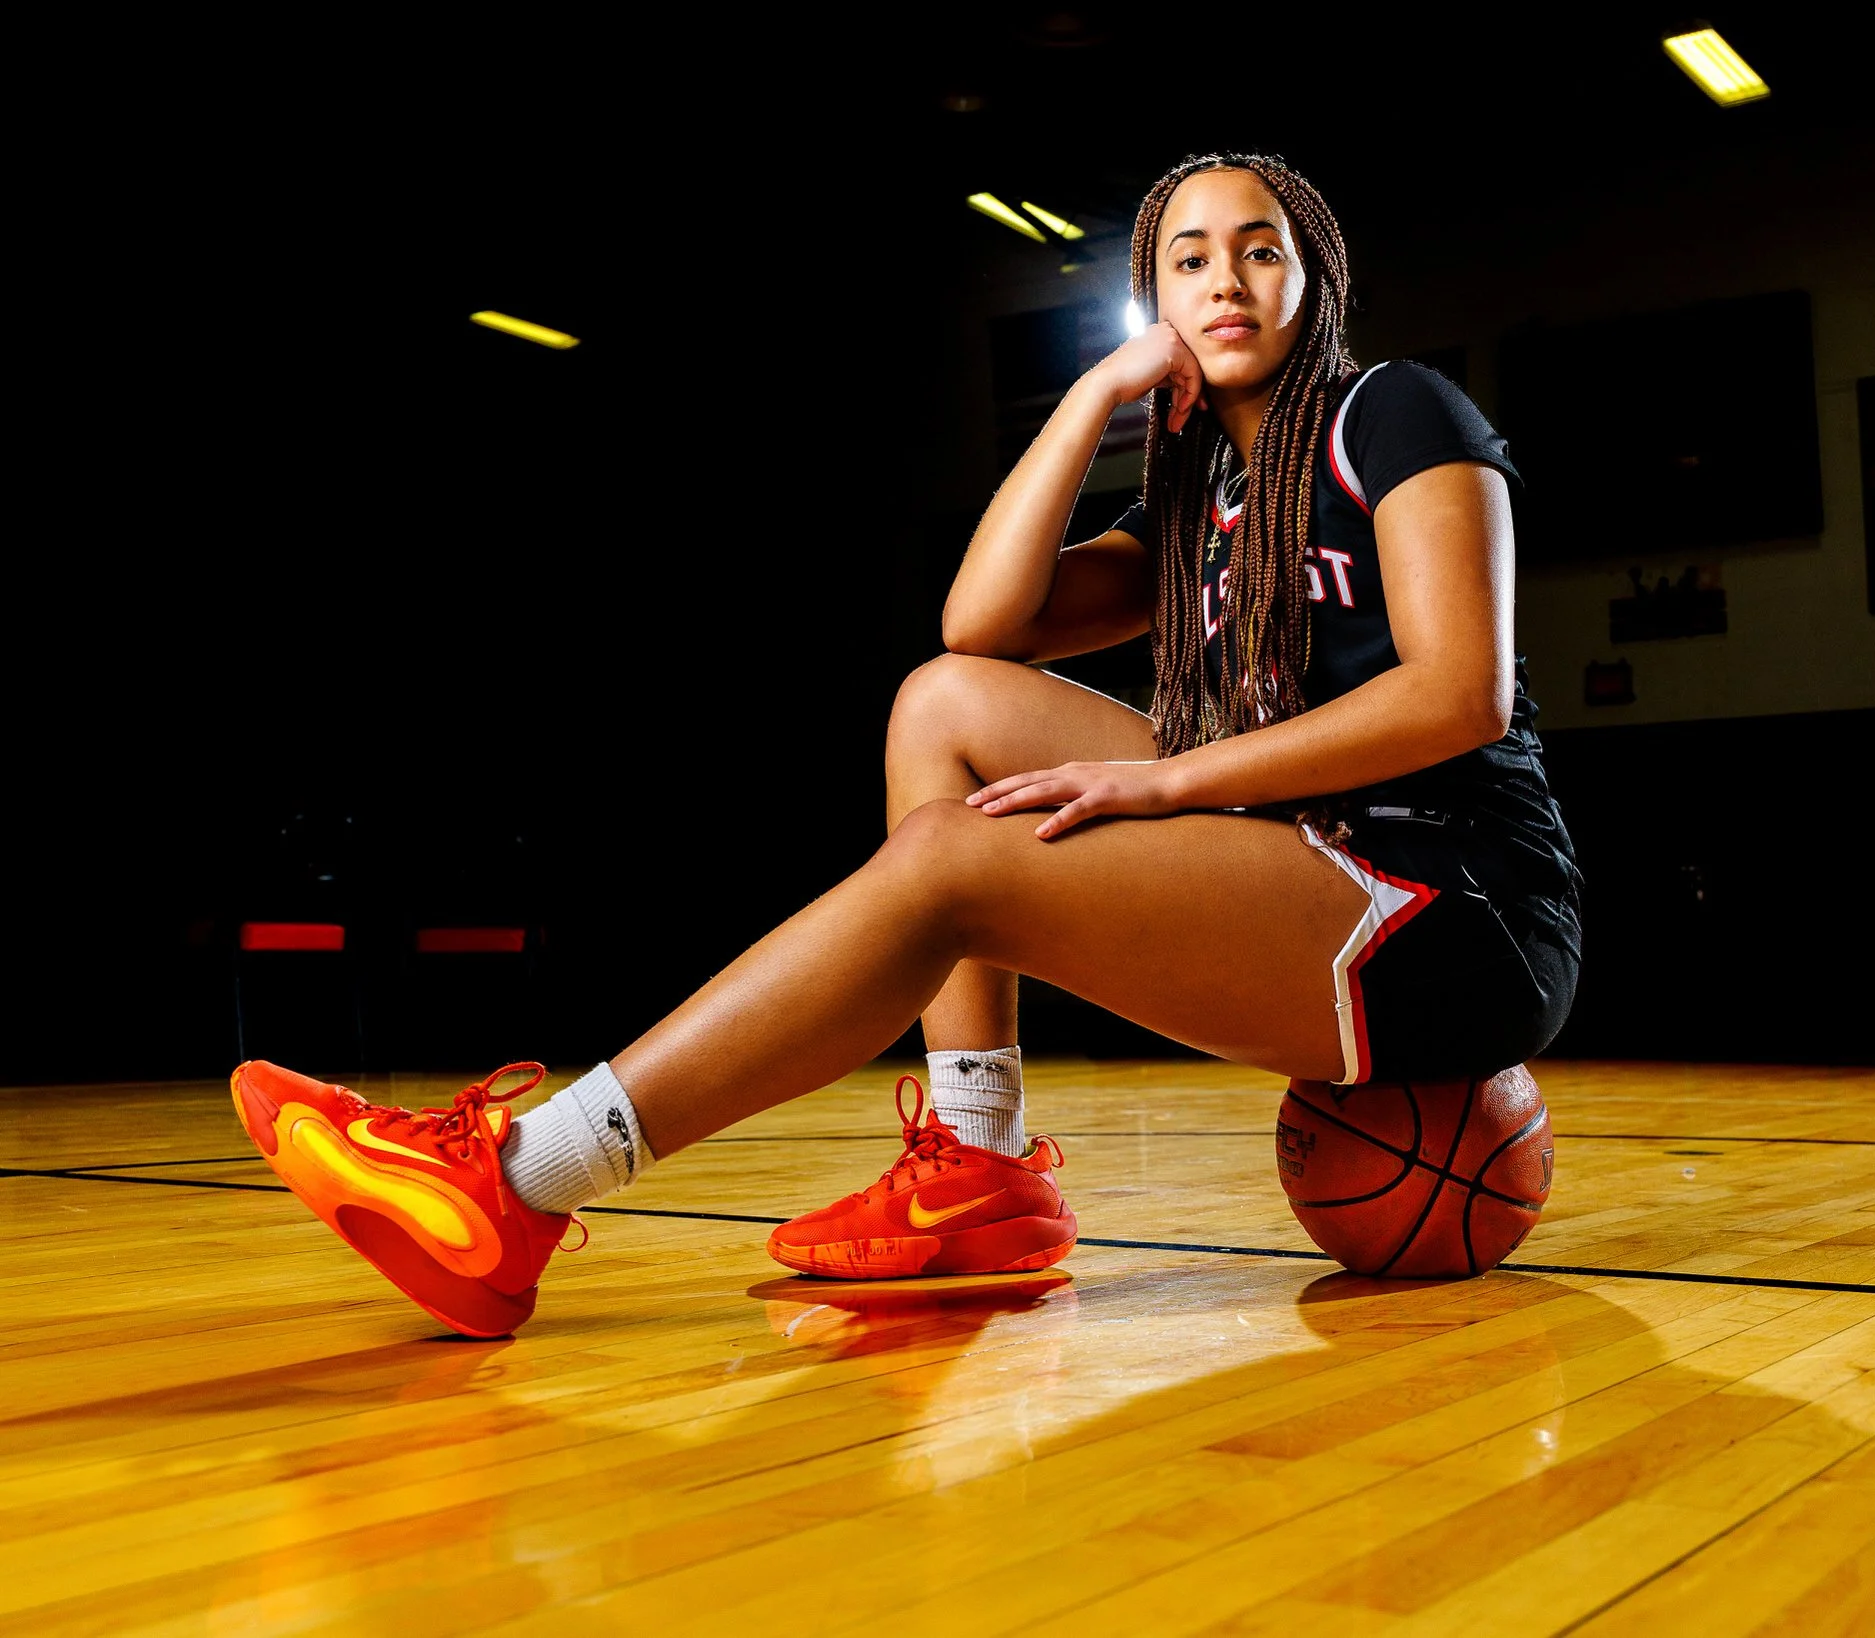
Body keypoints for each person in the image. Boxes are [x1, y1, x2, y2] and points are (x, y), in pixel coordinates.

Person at [230, 152, 1582, 1338]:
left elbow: (1459, 694)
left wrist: (1164, 778)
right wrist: (1097, 391)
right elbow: (983, 621)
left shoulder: (1392, 411)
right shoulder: (1207, 502)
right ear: (1154, 298)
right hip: (1318, 869)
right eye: (1186, 258)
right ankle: (981, 1162)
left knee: (951, 860)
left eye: (1259, 247)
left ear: (1313, 278)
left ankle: (520, 1180)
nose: (1224, 277)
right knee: (943, 701)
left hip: (1460, 911)